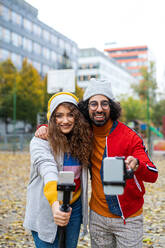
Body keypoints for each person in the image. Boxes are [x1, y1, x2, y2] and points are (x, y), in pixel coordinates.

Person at [36, 79, 158, 248]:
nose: (99, 108)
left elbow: (153, 174)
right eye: (93, 104)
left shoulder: (130, 136)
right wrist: (44, 127)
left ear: (112, 107)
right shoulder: (84, 133)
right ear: (87, 108)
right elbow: (62, 125)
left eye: (104, 103)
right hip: (97, 217)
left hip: (128, 218)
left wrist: (138, 164)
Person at [23, 92, 92, 248]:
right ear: (51, 119)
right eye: (59, 116)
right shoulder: (40, 141)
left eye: (70, 115)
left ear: (78, 117)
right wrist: (55, 204)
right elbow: (47, 170)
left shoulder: (84, 140)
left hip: (74, 207)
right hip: (47, 207)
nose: (65, 120)